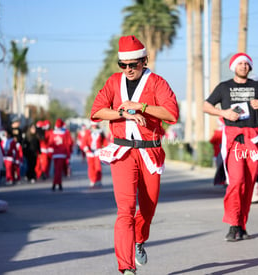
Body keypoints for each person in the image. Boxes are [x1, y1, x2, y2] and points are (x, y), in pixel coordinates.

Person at [90, 35, 179, 275]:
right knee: (125, 210)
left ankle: (140, 239)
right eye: (124, 65)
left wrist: (141, 107)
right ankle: (126, 268)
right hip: (123, 152)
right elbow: (97, 111)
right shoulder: (113, 82)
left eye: (134, 64)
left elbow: (171, 114)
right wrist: (123, 113)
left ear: (144, 60)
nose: (129, 69)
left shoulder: (157, 83)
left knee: (148, 209)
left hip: (150, 151)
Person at [203, 52, 258, 242]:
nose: (243, 66)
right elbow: (206, 106)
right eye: (240, 63)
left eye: (246, 64)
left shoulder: (257, 86)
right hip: (234, 139)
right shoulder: (224, 87)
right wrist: (224, 112)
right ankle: (233, 224)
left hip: (253, 139)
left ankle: (241, 225)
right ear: (233, 66)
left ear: (250, 67)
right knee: (236, 182)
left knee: (249, 184)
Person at [47, 118, 71, 191]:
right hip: (62, 154)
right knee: (58, 170)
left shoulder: (52, 133)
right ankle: (56, 184)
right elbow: (67, 144)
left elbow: (50, 143)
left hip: (55, 154)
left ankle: (57, 184)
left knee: (57, 169)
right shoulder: (64, 134)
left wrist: (50, 153)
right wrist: (68, 154)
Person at [82, 121, 106, 188]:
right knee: (91, 167)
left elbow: (104, 141)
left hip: (98, 151)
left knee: (98, 166)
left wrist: (106, 148)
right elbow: (84, 141)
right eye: (93, 125)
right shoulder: (88, 132)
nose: (94, 126)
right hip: (90, 152)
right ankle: (93, 180)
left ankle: (98, 180)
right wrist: (86, 148)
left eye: (95, 125)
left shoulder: (101, 132)